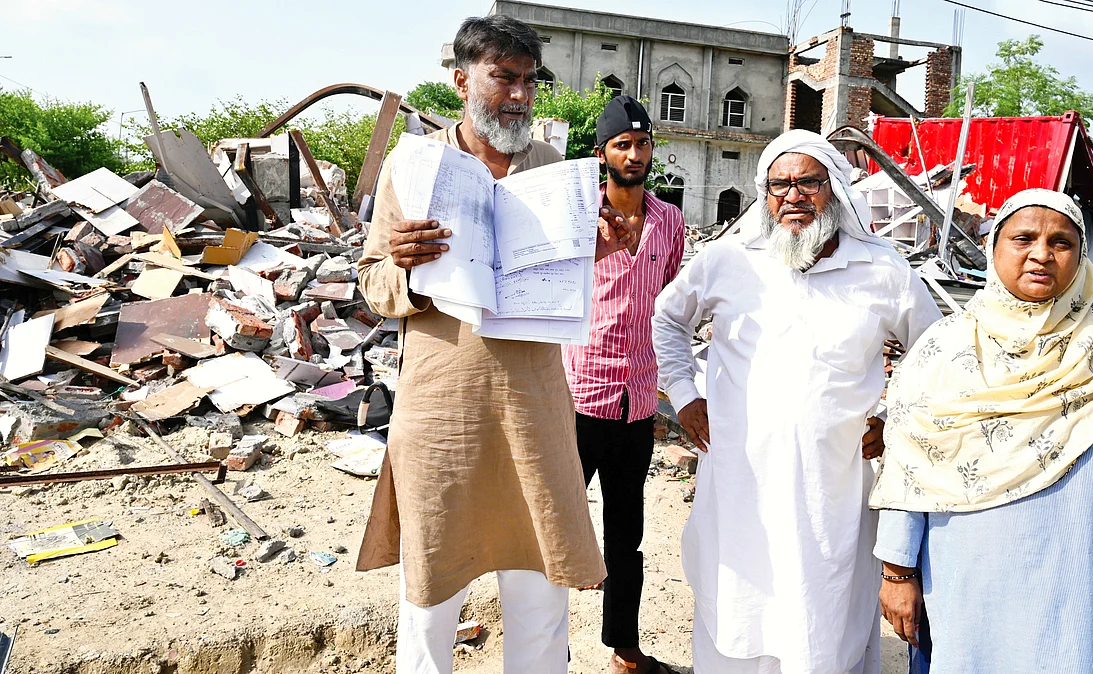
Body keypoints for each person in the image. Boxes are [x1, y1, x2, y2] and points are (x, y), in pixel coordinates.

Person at [354, 15, 635, 674]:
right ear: (461, 80)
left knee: (541, 594)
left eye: (529, 81)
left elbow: (563, 288)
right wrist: (408, 267)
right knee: (429, 599)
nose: (519, 95)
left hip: (533, 409)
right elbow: (373, 283)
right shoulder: (413, 165)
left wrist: (595, 250)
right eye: (503, 78)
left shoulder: (554, 170)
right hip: (439, 411)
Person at [871, 188, 1093, 673]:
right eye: (1023, 238)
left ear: (1081, 254)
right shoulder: (945, 349)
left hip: (1089, 576)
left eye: (1061, 242)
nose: (1041, 254)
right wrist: (898, 572)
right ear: (993, 248)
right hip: (972, 581)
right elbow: (908, 462)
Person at [652, 129, 942, 674]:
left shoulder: (882, 269)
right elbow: (667, 318)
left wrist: (890, 417)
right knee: (739, 601)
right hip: (741, 477)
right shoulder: (730, 258)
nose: (793, 196)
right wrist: (685, 394)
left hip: (831, 486)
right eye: (778, 184)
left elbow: (936, 353)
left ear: (834, 189)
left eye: (808, 181)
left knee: (823, 611)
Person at [563, 95, 685, 674]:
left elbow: (672, 303)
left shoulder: (669, 221)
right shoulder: (577, 218)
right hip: (578, 397)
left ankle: (625, 650)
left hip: (637, 403)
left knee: (626, 536)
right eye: (622, 145)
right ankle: (545, 650)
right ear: (602, 153)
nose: (634, 155)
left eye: (642, 144)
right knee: (556, 528)